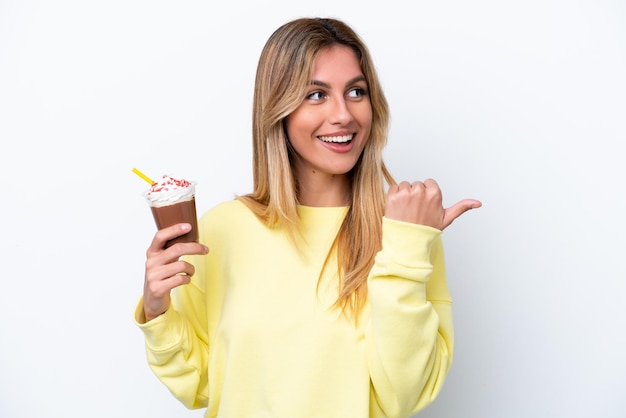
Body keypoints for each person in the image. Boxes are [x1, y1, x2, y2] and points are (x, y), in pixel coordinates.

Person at [134, 17, 481, 418]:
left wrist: (405, 247)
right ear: (277, 109)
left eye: (356, 91)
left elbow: (407, 394)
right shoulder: (222, 230)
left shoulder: (405, 234)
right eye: (316, 95)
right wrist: (158, 310)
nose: (343, 115)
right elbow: (198, 384)